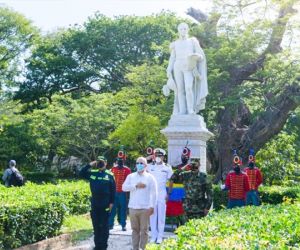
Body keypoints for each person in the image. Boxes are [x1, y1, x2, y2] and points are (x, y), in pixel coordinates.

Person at [163, 22, 208, 115]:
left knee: (188, 87)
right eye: (181, 29)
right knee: (180, 89)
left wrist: (196, 56)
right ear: (178, 31)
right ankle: (182, 110)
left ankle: (190, 109)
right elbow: (172, 58)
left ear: (187, 30)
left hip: (188, 65)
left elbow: (201, 55)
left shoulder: (192, 41)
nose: (183, 30)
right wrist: (168, 68)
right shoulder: (175, 43)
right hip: (177, 65)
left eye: (185, 29)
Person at [79, 157, 116, 250]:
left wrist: (111, 202)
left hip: (105, 204)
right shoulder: (93, 173)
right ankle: (97, 246)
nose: (101, 164)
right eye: (99, 162)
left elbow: (113, 190)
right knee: (96, 225)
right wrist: (91, 164)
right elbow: (81, 173)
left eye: (102, 162)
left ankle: (103, 246)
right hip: (95, 203)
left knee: (104, 226)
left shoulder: (110, 175)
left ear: (106, 163)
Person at [122, 156, 157, 250]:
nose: (139, 165)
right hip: (133, 208)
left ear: (146, 165)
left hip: (145, 208)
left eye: (141, 163)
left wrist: (152, 207)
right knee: (134, 230)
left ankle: (143, 248)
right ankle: (135, 248)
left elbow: (154, 193)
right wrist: (135, 186)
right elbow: (124, 187)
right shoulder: (131, 176)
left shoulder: (150, 177)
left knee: (144, 231)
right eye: (137, 163)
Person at [148, 148, 173, 244]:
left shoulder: (167, 167)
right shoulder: (149, 166)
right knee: (152, 215)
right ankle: (153, 235)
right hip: (152, 193)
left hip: (162, 192)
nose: (158, 157)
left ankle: (160, 236)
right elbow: (138, 165)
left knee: (161, 215)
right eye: (156, 155)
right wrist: (149, 157)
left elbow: (171, 181)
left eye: (160, 156)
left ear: (163, 157)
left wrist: (169, 193)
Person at [166, 147, 191, 222]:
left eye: (186, 157)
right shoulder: (178, 167)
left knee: (186, 213)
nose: (184, 158)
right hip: (178, 194)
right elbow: (172, 179)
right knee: (178, 212)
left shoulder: (191, 168)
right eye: (183, 156)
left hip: (188, 193)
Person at [109, 150, 131, 231]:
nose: (120, 162)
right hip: (114, 192)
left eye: (121, 161)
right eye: (119, 161)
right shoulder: (113, 169)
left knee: (123, 209)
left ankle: (123, 225)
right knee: (113, 209)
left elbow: (129, 181)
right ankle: (110, 224)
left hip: (123, 193)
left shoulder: (127, 170)